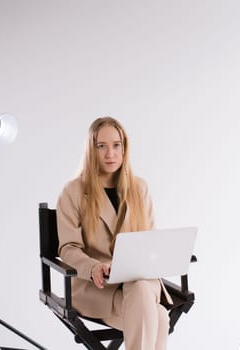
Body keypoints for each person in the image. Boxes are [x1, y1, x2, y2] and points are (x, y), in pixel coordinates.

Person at [56, 116, 171, 350]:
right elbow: (68, 248)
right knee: (159, 317)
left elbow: (150, 241)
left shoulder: (140, 188)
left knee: (141, 290)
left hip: (140, 283)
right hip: (97, 289)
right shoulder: (74, 191)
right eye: (102, 146)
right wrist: (93, 267)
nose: (110, 153)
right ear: (91, 149)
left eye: (116, 145)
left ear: (124, 147)